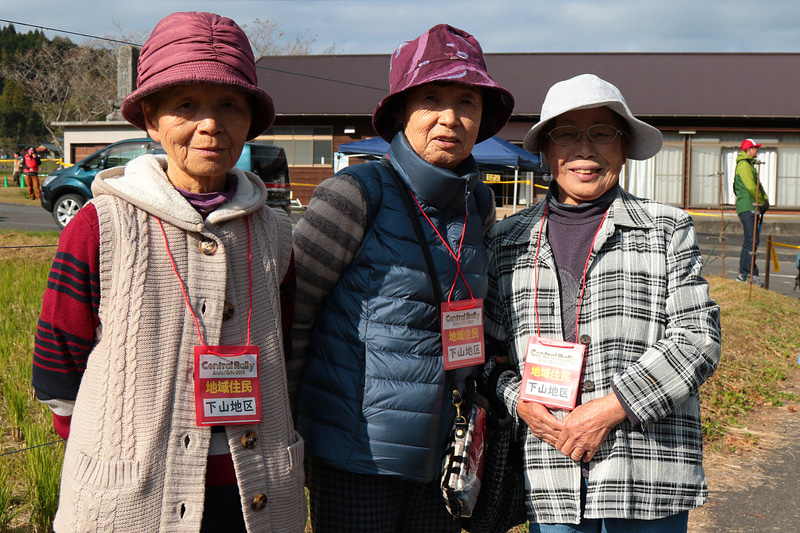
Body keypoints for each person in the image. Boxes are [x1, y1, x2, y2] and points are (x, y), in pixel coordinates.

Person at [31, 12, 306, 532]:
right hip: (134, 490)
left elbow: (283, 349)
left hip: (256, 490)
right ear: (151, 120)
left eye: (229, 105)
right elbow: (57, 359)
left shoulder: (275, 233)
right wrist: (109, 439)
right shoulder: (101, 224)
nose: (210, 124)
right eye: (186, 106)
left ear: (250, 121)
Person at [290, 24, 514, 533]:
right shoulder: (353, 194)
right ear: (400, 111)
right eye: (431, 98)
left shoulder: (478, 203)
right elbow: (294, 316)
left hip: (443, 447)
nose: (450, 118)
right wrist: (289, 431)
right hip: (356, 451)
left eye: (467, 101)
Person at [483, 74, 721, 532]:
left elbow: (698, 340)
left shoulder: (666, 229)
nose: (585, 150)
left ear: (624, 145)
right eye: (567, 133)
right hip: (550, 474)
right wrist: (521, 403)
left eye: (602, 133)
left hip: (647, 473)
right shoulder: (507, 240)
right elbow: (489, 357)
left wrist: (609, 408)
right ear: (547, 150)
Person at [734, 138, 769, 286]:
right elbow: (751, 187)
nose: (757, 151)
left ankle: (745, 273)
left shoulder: (749, 165)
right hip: (748, 206)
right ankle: (749, 274)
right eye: (755, 148)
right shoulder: (744, 165)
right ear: (748, 150)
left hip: (751, 206)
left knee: (751, 240)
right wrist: (761, 202)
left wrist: (764, 200)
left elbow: (757, 186)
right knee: (751, 241)